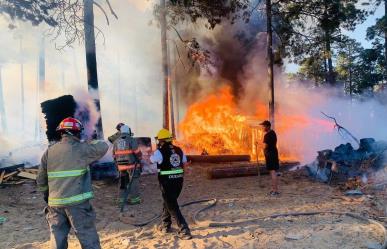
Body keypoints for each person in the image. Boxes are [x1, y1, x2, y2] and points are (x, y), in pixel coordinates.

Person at [36, 117, 109, 249]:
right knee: (87, 236)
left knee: (57, 239)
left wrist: (47, 195)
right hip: (77, 205)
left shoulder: (49, 151)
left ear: (61, 132)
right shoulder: (82, 149)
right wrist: (91, 139)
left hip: (55, 204)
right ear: (77, 133)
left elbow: (40, 179)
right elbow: (103, 146)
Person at [150, 129, 192, 240]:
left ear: (161, 140)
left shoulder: (159, 152)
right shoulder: (179, 150)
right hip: (179, 182)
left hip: (166, 182)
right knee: (168, 202)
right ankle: (165, 225)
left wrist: (155, 151)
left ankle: (184, 230)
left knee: (172, 205)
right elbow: (185, 164)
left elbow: (151, 160)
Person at [112, 125, 142, 206]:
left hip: (121, 166)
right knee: (133, 182)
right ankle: (134, 199)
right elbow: (137, 152)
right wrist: (140, 158)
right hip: (132, 165)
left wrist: (117, 164)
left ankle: (122, 200)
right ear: (128, 131)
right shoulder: (131, 140)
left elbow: (114, 155)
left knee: (123, 182)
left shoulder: (116, 141)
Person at [260, 120, 280, 196]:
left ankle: (275, 190)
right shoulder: (273, 133)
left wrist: (258, 144)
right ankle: (273, 189)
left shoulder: (267, 135)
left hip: (270, 155)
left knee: (273, 172)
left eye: (264, 126)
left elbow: (265, 146)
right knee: (273, 172)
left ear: (268, 126)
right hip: (273, 154)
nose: (262, 127)